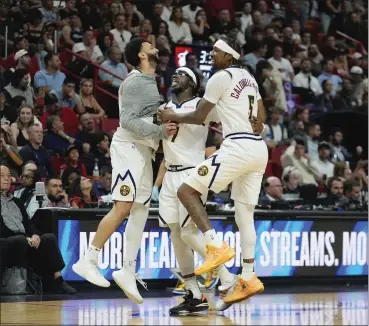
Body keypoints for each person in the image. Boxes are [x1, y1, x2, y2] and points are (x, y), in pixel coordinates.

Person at [159, 36, 267, 306]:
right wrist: (259, 126)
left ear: (229, 56)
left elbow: (198, 115)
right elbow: (261, 118)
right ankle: (248, 275)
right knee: (245, 215)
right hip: (258, 148)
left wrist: (171, 117)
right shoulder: (250, 79)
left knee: (187, 191)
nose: (212, 56)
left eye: (216, 52)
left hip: (238, 146)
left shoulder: (221, 77)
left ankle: (215, 248)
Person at [72, 37, 177, 303]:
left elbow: (149, 117)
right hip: (129, 146)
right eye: (149, 45)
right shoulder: (135, 81)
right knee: (123, 206)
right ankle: (88, 259)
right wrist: (161, 130)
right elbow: (128, 122)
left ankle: (128, 269)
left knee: (140, 209)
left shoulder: (149, 80)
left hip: (144, 150)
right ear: (141, 55)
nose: (154, 47)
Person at [154, 67, 235, 314]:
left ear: (193, 81)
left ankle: (227, 277)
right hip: (169, 173)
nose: (175, 76)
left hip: (192, 174)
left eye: (182, 73)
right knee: (176, 234)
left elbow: (229, 118)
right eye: (174, 73)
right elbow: (161, 147)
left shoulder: (202, 105)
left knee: (189, 233)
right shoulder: (163, 107)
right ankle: (194, 294)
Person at [0, 165, 76, 294]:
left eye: (8, 175)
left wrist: (35, 234)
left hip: (25, 239)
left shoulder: (17, 202)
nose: (7, 179)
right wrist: (26, 238)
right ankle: (17, 284)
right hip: (9, 241)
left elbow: (28, 224)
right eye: (2, 176)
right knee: (19, 240)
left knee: (48, 238)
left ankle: (57, 281)